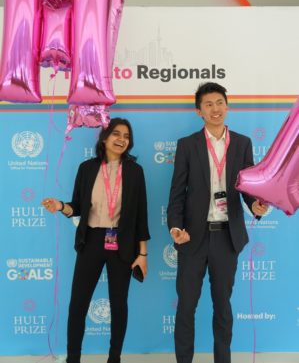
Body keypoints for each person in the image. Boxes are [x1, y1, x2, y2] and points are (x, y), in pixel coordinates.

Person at [167, 82, 268, 363]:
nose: (215, 109)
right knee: (186, 306)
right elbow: (177, 192)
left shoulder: (243, 143)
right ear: (199, 111)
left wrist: (256, 206)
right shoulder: (187, 145)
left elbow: (247, 188)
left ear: (227, 106)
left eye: (219, 103)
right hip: (192, 238)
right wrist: (175, 227)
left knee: (222, 307)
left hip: (227, 237)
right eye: (208, 104)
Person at [42, 118, 150, 363]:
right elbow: (77, 207)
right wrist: (60, 206)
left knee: (118, 304)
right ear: (104, 138)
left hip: (122, 242)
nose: (122, 139)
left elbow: (141, 217)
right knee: (78, 303)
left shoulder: (135, 171)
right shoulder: (87, 168)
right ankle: (73, 358)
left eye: (126, 136)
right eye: (116, 134)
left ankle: (114, 358)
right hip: (91, 239)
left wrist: (142, 254)